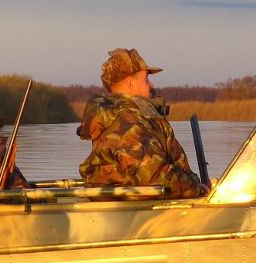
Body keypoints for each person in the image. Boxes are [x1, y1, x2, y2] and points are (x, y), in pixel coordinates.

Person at [76, 48, 208, 199]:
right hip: (134, 213)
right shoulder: (128, 124)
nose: (151, 85)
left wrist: (194, 183)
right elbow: (152, 175)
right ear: (131, 83)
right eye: (145, 79)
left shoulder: (125, 116)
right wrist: (197, 189)